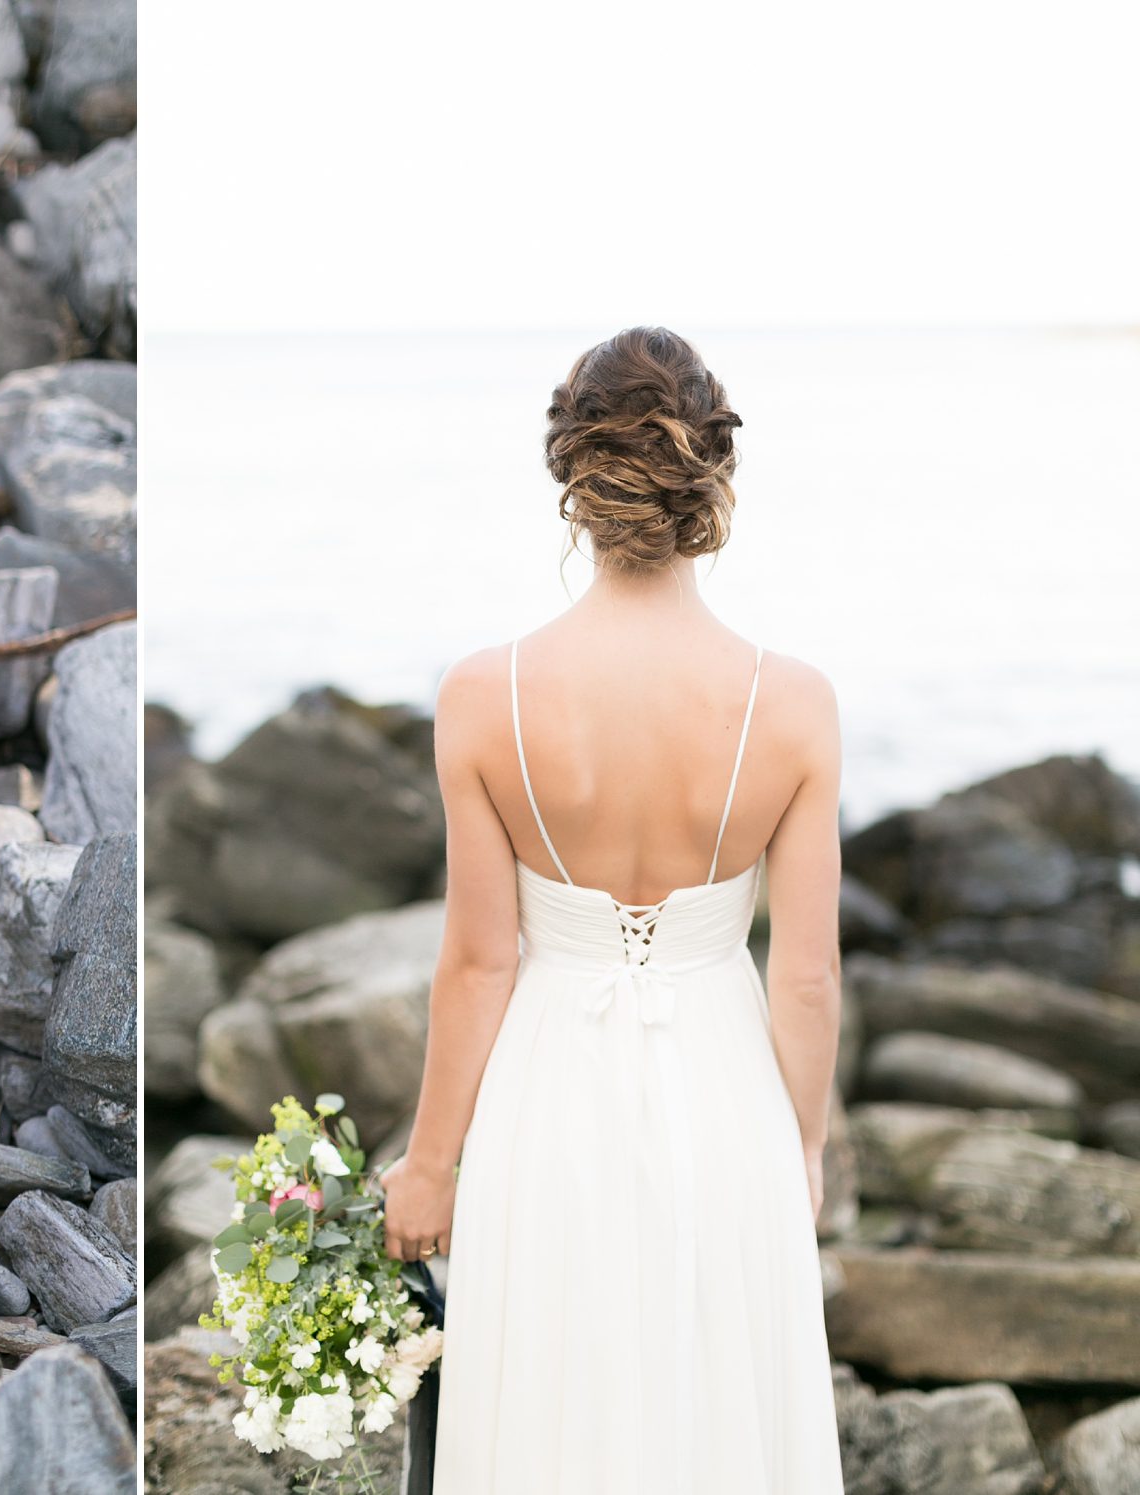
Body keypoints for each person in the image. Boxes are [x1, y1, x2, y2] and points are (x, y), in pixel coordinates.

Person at [379, 326, 846, 1491]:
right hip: (727, 1097)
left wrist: (428, 1165)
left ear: (572, 480)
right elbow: (805, 975)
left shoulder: (483, 696)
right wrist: (801, 1143)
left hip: (547, 1101)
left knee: (552, 1413)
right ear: (712, 474)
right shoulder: (790, 705)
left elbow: (479, 962)